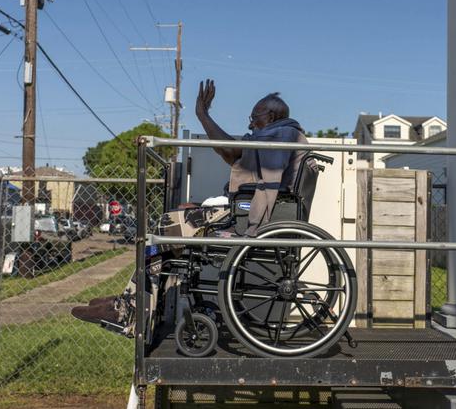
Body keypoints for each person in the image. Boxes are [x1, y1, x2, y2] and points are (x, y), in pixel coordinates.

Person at [71, 79, 311, 326]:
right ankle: (132, 302)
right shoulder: (276, 135)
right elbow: (234, 153)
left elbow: (252, 170)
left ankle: (128, 309)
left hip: (252, 216)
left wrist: (202, 114)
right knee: (180, 218)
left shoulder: (280, 134)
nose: (250, 123)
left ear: (270, 115)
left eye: (253, 117)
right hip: (246, 208)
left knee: (166, 225)